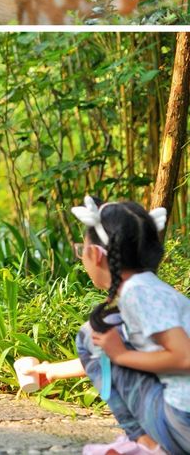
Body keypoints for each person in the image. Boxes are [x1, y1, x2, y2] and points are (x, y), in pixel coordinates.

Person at [29, 195, 190, 455]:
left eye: (82, 249)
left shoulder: (139, 293)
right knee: (102, 333)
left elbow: (184, 357)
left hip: (182, 423)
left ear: (95, 254)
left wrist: (122, 354)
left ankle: (147, 445)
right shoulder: (150, 289)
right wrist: (51, 371)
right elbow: (106, 355)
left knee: (91, 333)